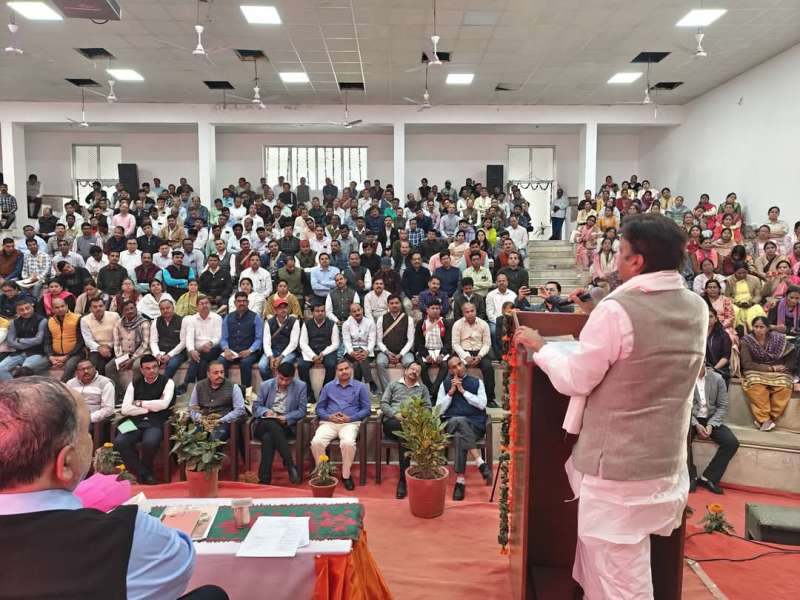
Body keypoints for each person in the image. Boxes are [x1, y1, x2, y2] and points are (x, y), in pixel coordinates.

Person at [512, 213, 707, 599]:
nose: (615, 260)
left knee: (622, 579)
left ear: (637, 261)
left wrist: (542, 347)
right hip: (665, 463)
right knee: (607, 562)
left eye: (620, 252)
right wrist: (598, 310)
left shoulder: (617, 310)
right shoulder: (696, 306)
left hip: (618, 470)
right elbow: (648, 353)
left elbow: (576, 379)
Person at [0, 378, 227, 600]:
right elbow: (181, 558)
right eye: (86, 431)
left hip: (152, 423)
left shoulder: (164, 383)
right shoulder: (126, 532)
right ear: (66, 462)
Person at [436, 355, 492, 501]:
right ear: (450, 371)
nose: (458, 368)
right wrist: (450, 393)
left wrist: (462, 391)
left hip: (475, 425)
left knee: (460, 435)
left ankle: (460, 481)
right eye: (454, 367)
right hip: (451, 424)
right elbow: (437, 411)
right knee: (458, 420)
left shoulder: (477, 382)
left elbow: (482, 404)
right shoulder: (445, 384)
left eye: (459, 364)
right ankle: (479, 462)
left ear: (463, 364)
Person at [310, 359, 371, 491]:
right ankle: (323, 473)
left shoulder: (360, 387)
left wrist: (350, 418)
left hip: (350, 424)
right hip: (329, 423)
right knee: (316, 442)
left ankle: (346, 475)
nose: (344, 372)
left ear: (351, 370)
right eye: (340, 369)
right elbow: (319, 408)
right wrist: (329, 416)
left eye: (346, 368)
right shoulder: (328, 387)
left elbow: (367, 409)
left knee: (348, 443)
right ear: (336, 372)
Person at [114, 354, 175, 484]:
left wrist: (139, 403)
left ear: (158, 367)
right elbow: (125, 409)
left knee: (150, 442)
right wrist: (149, 408)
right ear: (141, 370)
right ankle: (145, 473)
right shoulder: (134, 383)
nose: (151, 370)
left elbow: (163, 405)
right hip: (133, 421)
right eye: (147, 368)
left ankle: (144, 473)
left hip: (156, 421)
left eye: (154, 367)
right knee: (120, 441)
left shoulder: (168, 382)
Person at [381, 362, 431, 499]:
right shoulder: (393, 385)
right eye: (412, 369)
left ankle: (403, 481)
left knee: (405, 434)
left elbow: (428, 408)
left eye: (417, 371)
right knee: (406, 431)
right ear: (406, 370)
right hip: (392, 423)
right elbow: (383, 403)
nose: (414, 372)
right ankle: (404, 480)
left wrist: (416, 417)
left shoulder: (423, 389)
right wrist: (395, 414)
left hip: (412, 425)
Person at [688, 364, 739, 495]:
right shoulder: (686, 378)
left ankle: (709, 477)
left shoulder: (717, 378)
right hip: (691, 418)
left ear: (704, 361)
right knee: (683, 439)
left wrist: (711, 424)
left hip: (711, 418)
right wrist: (696, 424)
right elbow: (683, 406)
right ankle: (691, 476)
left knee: (731, 442)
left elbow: (723, 406)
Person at [253, 362, 307, 484]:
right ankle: (290, 463)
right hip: (264, 424)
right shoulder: (266, 385)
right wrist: (266, 412)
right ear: (277, 374)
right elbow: (256, 407)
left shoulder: (301, 386)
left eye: (287, 380)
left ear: (293, 377)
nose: (283, 382)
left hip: (284, 426)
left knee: (268, 438)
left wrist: (286, 417)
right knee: (271, 422)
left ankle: (264, 479)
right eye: (281, 378)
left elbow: (302, 410)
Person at [740, 316, 796, 432]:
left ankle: (769, 418)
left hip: (778, 370)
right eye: (756, 327)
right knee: (755, 386)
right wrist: (770, 368)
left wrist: (786, 367)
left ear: (767, 328)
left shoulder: (778, 339)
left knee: (785, 387)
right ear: (752, 327)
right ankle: (765, 419)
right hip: (756, 370)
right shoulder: (747, 341)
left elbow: (791, 353)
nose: (758, 329)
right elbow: (747, 363)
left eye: (762, 327)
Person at [451, 302, 497, 408]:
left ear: (476, 311)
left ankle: (490, 398)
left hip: (479, 352)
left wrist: (480, 356)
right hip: (463, 351)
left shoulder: (483, 324)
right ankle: (453, 396)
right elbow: (455, 344)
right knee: (454, 367)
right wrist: (465, 356)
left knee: (488, 368)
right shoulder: (457, 324)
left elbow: (487, 344)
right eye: (467, 312)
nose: (470, 313)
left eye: (472, 311)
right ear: (463, 313)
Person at [188, 361, 246, 441]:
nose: (220, 375)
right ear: (208, 374)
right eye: (216, 373)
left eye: (222, 372)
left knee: (214, 439)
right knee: (191, 438)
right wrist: (201, 419)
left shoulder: (233, 387)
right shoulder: (199, 386)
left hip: (222, 422)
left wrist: (220, 420)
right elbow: (192, 407)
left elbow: (240, 410)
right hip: (202, 421)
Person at [107, 300, 151, 402]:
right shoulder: (118, 323)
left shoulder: (144, 322)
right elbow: (117, 343)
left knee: (136, 366)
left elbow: (145, 344)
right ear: (123, 312)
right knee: (109, 367)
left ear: (136, 308)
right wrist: (120, 358)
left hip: (141, 354)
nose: (130, 311)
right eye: (126, 309)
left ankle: (136, 395)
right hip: (125, 354)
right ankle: (119, 395)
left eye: (132, 308)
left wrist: (132, 359)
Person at [219, 291, 263, 393]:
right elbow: (224, 338)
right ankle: (224, 392)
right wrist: (226, 349)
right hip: (231, 351)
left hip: (249, 352)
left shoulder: (255, 317)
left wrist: (250, 350)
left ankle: (246, 393)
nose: (242, 303)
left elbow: (259, 339)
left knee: (245, 363)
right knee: (220, 362)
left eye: (244, 301)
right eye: (239, 301)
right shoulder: (228, 317)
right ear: (235, 303)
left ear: (248, 302)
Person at [181, 296, 223, 393]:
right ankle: (202, 388)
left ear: (210, 305)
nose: (204, 305)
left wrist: (210, 343)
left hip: (213, 348)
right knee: (202, 362)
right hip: (199, 350)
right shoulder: (192, 319)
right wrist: (191, 350)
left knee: (200, 357)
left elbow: (219, 336)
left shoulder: (217, 318)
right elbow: (189, 337)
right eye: (201, 303)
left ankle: (187, 383)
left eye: (206, 303)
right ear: (197, 307)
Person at [299, 303, 340, 402]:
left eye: (322, 311)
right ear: (312, 312)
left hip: (327, 351)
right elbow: (303, 343)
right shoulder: (307, 324)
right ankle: (309, 394)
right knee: (302, 365)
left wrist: (323, 353)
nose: (320, 313)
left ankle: (324, 393)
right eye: (317, 311)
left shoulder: (332, 324)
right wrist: (313, 356)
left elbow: (335, 343)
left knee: (331, 365)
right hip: (311, 351)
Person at [0, 298, 48, 380]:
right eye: (21, 310)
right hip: (18, 352)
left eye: (27, 308)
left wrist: (20, 340)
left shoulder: (42, 320)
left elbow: (38, 340)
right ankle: (13, 387)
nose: (25, 312)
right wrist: (23, 345)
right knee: (1, 368)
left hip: (36, 352)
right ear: (17, 311)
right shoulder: (14, 322)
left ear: (32, 307)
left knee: (24, 371)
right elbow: (10, 341)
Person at [375, 294, 415, 390]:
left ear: (401, 304)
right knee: (380, 363)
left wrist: (401, 354)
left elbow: (410, 341)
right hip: (386, 352)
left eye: (396, 303)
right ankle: (388, 391)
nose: (394, 305)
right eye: (391, 303)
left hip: (404, 352)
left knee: (410, 363)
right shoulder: (381, 319)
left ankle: (407, 389)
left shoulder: (408, 319)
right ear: (388, 305)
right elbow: (379, 341)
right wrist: (387, 353)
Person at [259, 297, 301, 381]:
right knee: (262, 366)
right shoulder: (269, 322)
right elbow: (266, 342)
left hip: (288, 352)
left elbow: (293, 343)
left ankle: (281, 384)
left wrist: (281, 357)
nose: (283, 310)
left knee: (283, 364)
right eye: (280, 308)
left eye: (285, 307)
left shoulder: (294, 321)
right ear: (275, 310)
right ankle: (271, 384)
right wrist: (271, 357)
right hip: (273, 350)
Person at [44, 297, 84, 382]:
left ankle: (61, 386)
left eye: (62, 306)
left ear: (67, 306)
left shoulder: (77, 319)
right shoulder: (50, 321)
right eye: (57, 307)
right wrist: (50, 356)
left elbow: (81, 342)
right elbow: (47, 342)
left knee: (69, 366)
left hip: (75, 353)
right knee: (37, 366)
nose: (60, 309)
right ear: (52, 309)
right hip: (55, 354)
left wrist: (67, 356)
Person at [66, 359, 115, 426]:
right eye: (82, 369)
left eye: (89, 368)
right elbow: (67, 404)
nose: (86, 371)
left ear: (94, 368)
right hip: (73, 419)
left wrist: (89, 418)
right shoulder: (70, 383)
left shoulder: (105, 383)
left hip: (93, 420)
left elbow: (108, 409)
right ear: (77, 372)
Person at [81, 297, 120, 374]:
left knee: (109, 366)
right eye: (95, 307)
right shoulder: (84, 320)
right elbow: (88, 340)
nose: (98, 308)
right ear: (90, 309)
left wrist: (109, 346)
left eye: (100, 306)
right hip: (96, 348)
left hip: (114, 346)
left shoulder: (115, 316)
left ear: (105, 307)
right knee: (94, 364)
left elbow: (119, 335)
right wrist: (99, 348)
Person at [342, 302, 377, 389]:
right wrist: (352, 352)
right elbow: (346, 341)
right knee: (360, 358)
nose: (357, 313)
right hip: (351, 352)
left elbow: (372, 340)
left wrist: (367, 351)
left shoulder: (370, 323)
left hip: (366, 351)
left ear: (362, 310)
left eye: (358, 310)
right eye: (354, 311)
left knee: (357, 363)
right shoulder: (346, 324)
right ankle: (370, 381)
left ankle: (355, 387)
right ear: (350, 313)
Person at [150, 298, 187, 381]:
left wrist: (169, 355)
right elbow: (153, 341)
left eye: (168, 308)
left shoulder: (182, 321)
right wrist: (157, 354)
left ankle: (163, 386)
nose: (165, 310)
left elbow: (183, 342)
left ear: (173, 308)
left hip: (177, 353)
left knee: (171, 365)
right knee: (148, 364)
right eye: (162, 309)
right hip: (161, 352)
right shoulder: (156, 321)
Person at [724, 262, 766, 333]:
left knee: (757, 309)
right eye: (739, 273)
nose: (742, 275)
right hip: (736, 304)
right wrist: (736, 303)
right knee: (734, 310)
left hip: (751, 303)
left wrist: (752, 302)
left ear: (747, 271)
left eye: (744, 273)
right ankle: (734, 332)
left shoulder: (755, 279)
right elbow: (727, 296)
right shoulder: (729, 280)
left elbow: (758, 295)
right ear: (735, 272)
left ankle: (755, 331)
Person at [486, 273, 517, 355]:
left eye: (503, 281)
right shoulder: (490, 295)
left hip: (510, 321)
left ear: (507, 282)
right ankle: (498, 354)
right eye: (499, 281)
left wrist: (507, 322)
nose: (502, 282)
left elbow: (514, 310)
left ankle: (510, 354)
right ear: (496, 283)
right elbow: (489, 312)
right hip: (495, 321)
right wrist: (499, 323)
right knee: (494, 331)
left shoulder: (513, 295)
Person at [706, 307, 733, 386]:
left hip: (719, 369)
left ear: (716, 319)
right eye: (706, 316)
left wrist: (714, 369)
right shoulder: (698, 334)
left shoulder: (723, 335)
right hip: (702, 369)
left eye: (711, 316)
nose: (708, 319)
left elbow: (726, 357)